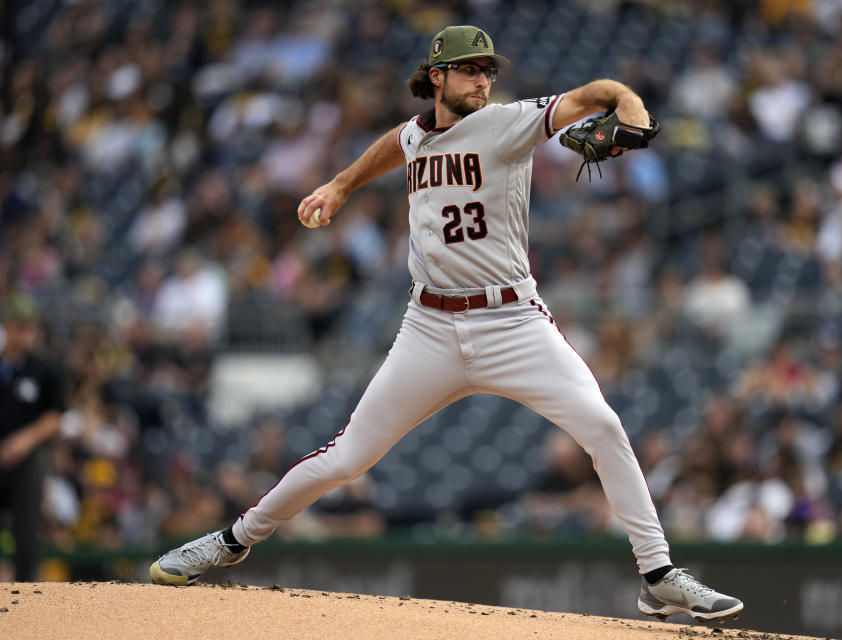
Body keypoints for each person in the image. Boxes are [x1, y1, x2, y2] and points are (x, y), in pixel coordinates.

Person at [150, 26, 743, 623]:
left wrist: (630, 106)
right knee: (347, 457)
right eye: (469, 69)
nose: (483, 80)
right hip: (428, 328)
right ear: (437, 76)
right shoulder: (417, 134)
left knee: (602, 424)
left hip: (511, 320)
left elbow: (596, 93)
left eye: (488, 69)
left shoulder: (504, 122)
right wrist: (341, 183)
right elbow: (399, 141)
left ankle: (658, 573)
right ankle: (231, 541)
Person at [0, 295, 66, 581]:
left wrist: (24, 440)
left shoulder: (45, 369)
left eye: (29, 327)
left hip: (26, 459)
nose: (24, 333)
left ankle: (25, 592)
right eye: (18, 326)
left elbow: (56, 417)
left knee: (26, 531)